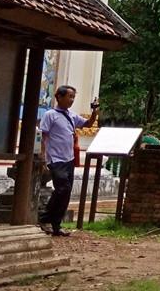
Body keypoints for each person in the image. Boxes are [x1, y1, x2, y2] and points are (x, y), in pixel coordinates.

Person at [38, 85, 99, 236]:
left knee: (66, 192)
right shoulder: (50, 115)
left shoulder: (71, 115)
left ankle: (56, 224)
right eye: (69, 96)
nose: (71, 100)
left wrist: (94, 112)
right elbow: (43, 136)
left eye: (73, 97)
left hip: (69, 159)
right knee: (62, 189)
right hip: (55, 158)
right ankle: (45, 219)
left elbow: (87, 124)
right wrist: (43, 156)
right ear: (59, 97)